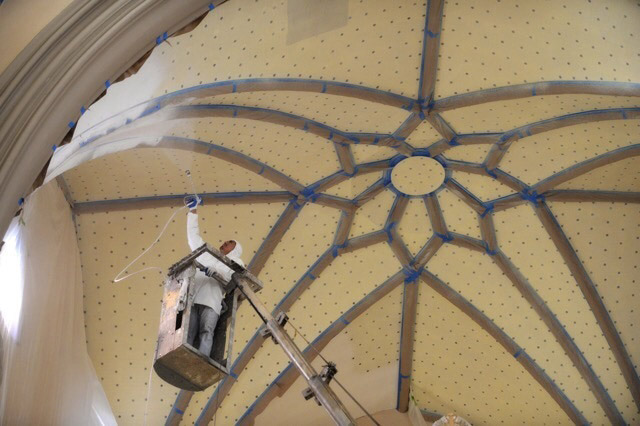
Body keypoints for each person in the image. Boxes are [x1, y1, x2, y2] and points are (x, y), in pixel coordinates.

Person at [185, 196, 244, 358]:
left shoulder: (236, 262)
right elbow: (193, 237)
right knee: (188, 333)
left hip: (212, 301)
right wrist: (193, 210)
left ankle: (201, 360)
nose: (225, 243)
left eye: (230, 242)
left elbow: (233, 280)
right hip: (194, 297)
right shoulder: (207, 255)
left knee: (206, 331)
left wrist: (217, 274)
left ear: (235, 249)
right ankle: (187, 358)